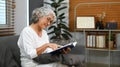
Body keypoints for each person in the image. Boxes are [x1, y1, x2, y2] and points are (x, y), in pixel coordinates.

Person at [17, 6, 83, 67]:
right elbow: (30, 54)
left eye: (51, 22)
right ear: (39, 15)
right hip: (31, 64)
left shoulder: (44, 33)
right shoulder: (27, 31)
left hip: (44, 60)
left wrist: (59, 50)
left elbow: (47, 50)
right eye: (48, 19)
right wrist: (47, 45)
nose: (49, 23)